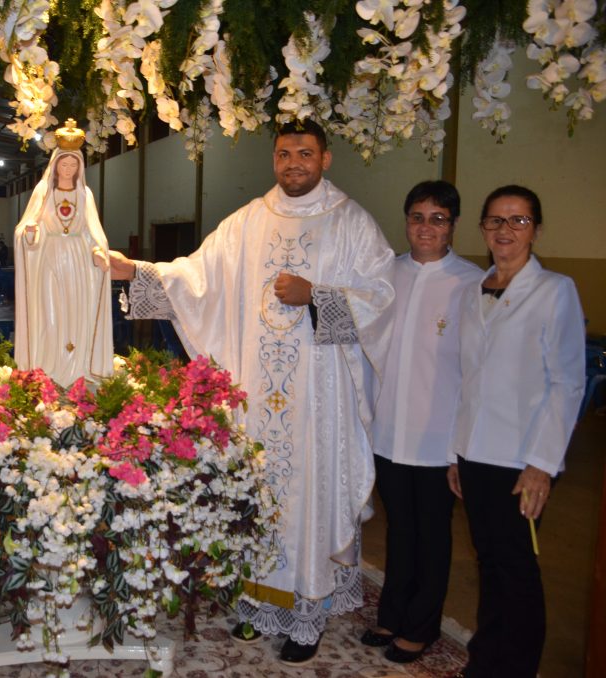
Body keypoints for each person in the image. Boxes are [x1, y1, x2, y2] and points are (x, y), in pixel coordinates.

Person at [110, 119, 394, 665]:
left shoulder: (353, 224)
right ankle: (253, 599)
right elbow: (200, 278)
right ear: (274, 159)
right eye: (284, 154)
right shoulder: (247, 223)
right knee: (255, 493)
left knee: (307, 497)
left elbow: (382, 298)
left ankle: (307, 615)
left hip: (319, 403)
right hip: (258, 401)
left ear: (326, 159)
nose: (294, 164)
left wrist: (317, 295)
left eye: (305, 154)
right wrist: (139, 272)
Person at [447, 185, 584, 678]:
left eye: (518, 221)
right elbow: (466, 379)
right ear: (482, 228)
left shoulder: (555, 291)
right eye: (495, 221)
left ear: (536, 230)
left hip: (521, 459)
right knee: (489, 562)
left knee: (518, 569)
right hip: (474, 452)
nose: (505, 230)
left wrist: (542, 466)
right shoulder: (472, 292)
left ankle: (516, 667)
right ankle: (486, 659)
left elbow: (568, 383)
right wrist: (453, 452)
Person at [360, 181, 483, 663]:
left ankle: (422, 626)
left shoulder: (471, 282)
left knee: (433, 534)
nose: (425, 227)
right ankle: (391, 613)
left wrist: (461, 447)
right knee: (398, 529)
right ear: (406, 220)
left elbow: (474, 372)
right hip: (388, 429)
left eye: (437, 218)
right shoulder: (387, 274)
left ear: (452, 225)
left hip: (438, 438)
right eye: (417, 217)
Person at [14, 119, 112, 388]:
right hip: (50, 258)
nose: (68, 169)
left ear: (79, 167)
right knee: (50, 311)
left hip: (79, 261)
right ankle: (49, 366)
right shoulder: (43, 192)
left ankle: (78, 367)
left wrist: (97, 252)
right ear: (55, 164)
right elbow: (25, 229)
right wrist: (31, 233)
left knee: (76, 311)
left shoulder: (85, 194)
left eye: (73, 165)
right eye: (64, 164)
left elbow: (93, 232)